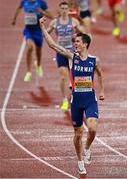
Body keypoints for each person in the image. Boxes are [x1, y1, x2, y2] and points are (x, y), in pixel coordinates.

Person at [40, 16, 105, 175]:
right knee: (78, 134)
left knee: (93, 128)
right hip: (76, 102)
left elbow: (100, 75)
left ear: (85, 44)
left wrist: (102, 91)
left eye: (77, 42)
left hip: (90, 100)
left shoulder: (94, 60)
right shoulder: (72, 57)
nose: (74, 44)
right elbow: (53, 45)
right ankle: (80, 161)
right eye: (74, 42)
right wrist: (42, 26)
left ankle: (87, 148)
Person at [46, 1, 85, 111]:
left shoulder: (73, 22)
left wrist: (84, 37)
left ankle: (76, 98)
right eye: (62, 8)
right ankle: (64, 100)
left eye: (65, 8)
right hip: (60, 52)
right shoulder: (54, 22)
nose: (63, 10)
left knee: (75, 76)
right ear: (59, 10)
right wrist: (42, 28)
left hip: (72, 53)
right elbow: (46, 33)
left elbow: (83, 34)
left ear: (68, 10)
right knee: (63, 76)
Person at [11, 0, 52, 82]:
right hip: (28, 30)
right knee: (30, 47)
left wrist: (41, 11)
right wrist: (14, 19)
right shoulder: (24, 1)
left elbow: (51, 16)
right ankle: (29, 72)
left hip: (38, 30)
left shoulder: (41, 2)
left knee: (38, 51)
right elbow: (19, 8)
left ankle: (39, 65)